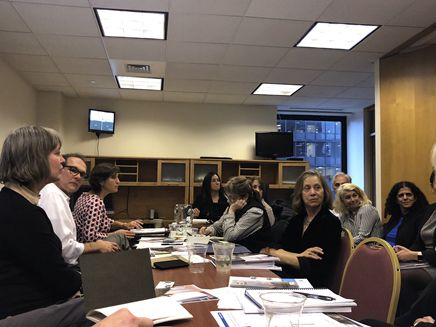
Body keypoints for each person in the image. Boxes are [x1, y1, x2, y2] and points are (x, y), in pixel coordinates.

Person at [0, 126, 82, 321]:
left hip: (27, 304)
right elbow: (61, 281)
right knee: (106, 303)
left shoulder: (14, 202)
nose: (63, 160)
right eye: (57, 153)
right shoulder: (21, 212)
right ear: (35, 158)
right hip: (21, 313)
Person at [262, 170, 342, 287]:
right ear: (300, 193)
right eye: (307, 188)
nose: (313, 193)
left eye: (317, 187)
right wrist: (298, 257)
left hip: (311, 285)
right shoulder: (297, 220)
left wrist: (279, 254)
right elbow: (274, 247)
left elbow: (314, 266)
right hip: (287, 278)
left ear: (324, 192)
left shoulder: (331, 222)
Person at [38, 153, 120, 266]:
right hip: (64, 265)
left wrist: (121, 225)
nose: (78, 177)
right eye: (73, 170)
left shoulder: (73, 195)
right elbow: (65, 248)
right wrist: (99, 244)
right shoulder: (53, 196)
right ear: (60, 168)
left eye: (82, 174)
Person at [394, 170, 436, 314]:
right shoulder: (430, 210)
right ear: (432, 186)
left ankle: (408, 320)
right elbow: (419, 241)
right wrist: (405, 252)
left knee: (402, 276)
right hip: (424, 260)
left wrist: (415, 255)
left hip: (433, 265)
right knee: (389, 268)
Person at [73, 162, 142, 248]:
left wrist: (124, 225)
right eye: (113, 178)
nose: (118, 181)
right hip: (88, 255)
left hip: (81, 251)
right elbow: (90, 237)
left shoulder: (84, 196)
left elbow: (103, 220)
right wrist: (115, 233)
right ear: (101, 181)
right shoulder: (95, 202)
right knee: (120, 238)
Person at [199, 176, 271, 252]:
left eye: (232, 197)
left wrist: (231, 211)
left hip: (254, 253)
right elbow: (218, 227)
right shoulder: (233, 205)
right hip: (238, 250)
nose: (228, 201)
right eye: (228, 197)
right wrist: (208, 231)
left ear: (245, 197)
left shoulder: (255, 211)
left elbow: (230, 236)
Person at [383, 181, 429, 247]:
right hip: (387, 254)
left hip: (404, 256)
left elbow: (418, 245)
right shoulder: (395, 218)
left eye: (409, 194)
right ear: (396, 200)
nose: (405, 198)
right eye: (401, 195)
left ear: (415, 198)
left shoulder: (422, 218)